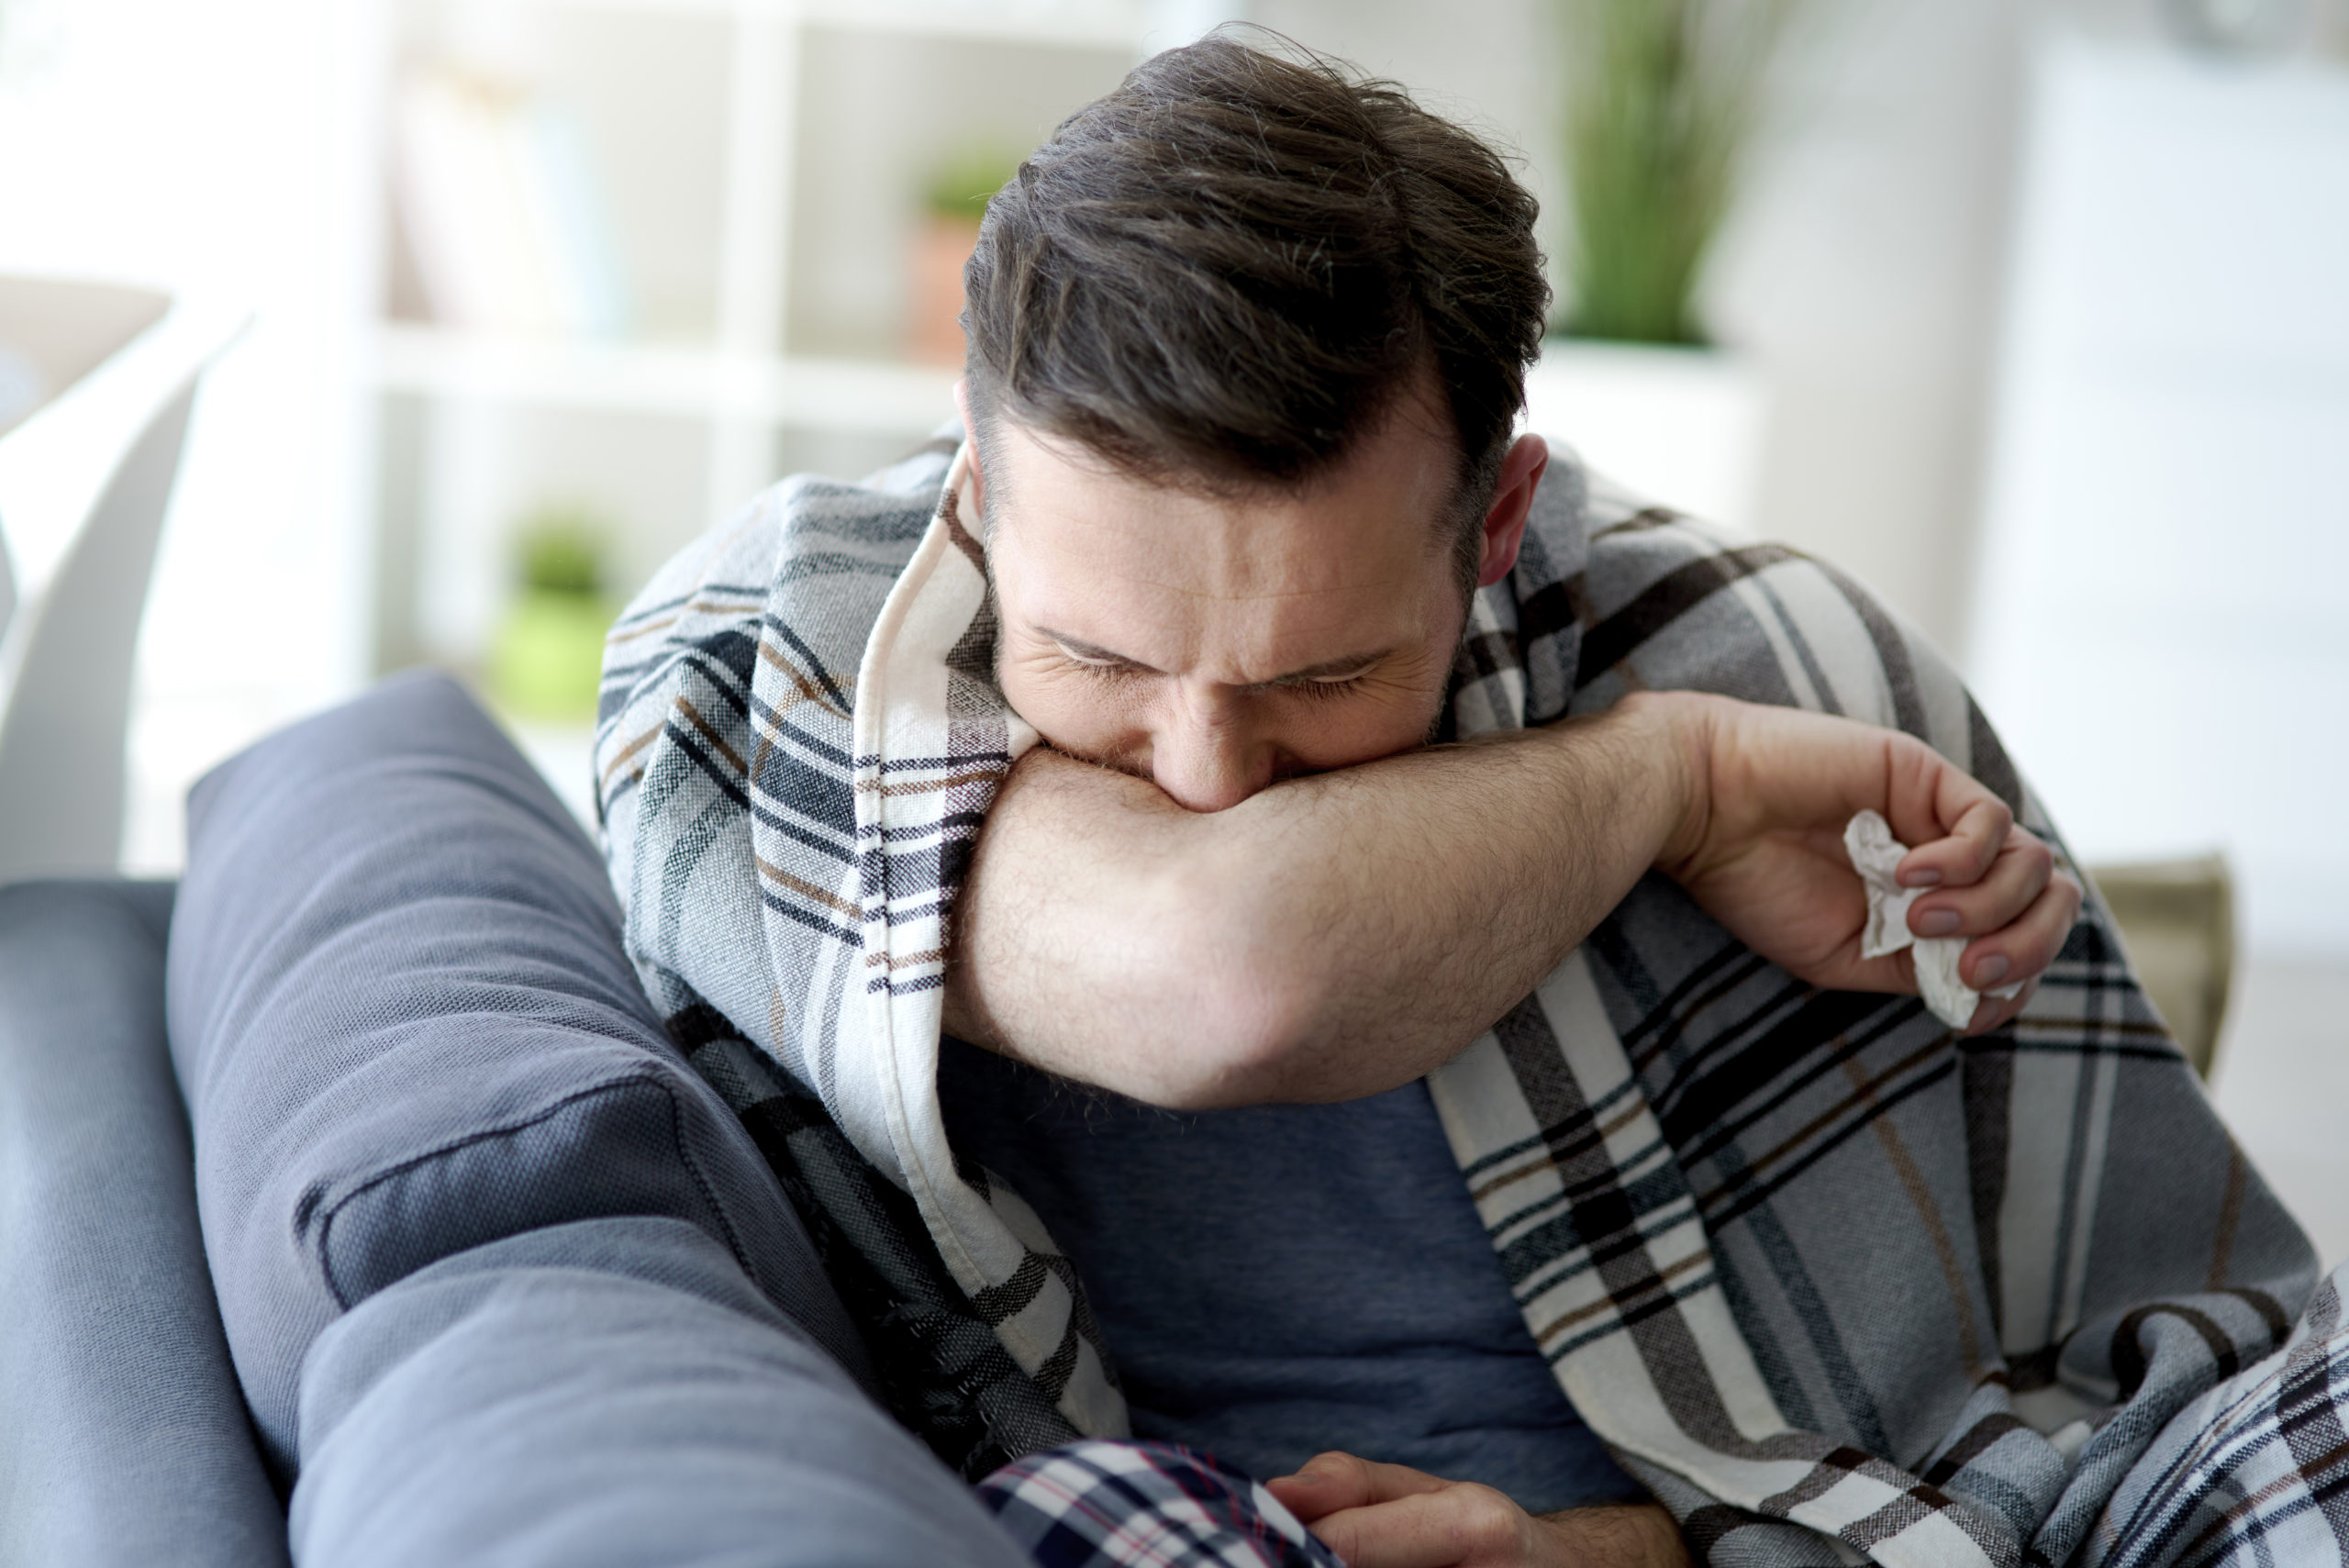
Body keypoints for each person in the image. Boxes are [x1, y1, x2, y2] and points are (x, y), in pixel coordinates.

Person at [596, 35, 2110, 1568]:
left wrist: (1600, 1555)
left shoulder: (1781, 671)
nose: (1206, 773)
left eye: (1322, 678)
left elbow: (2099, 1399)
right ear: (980, 496)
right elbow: (1224, 966)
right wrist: (1668, 779)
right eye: (1100, 654)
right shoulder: (771, 655)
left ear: (1497, 518)